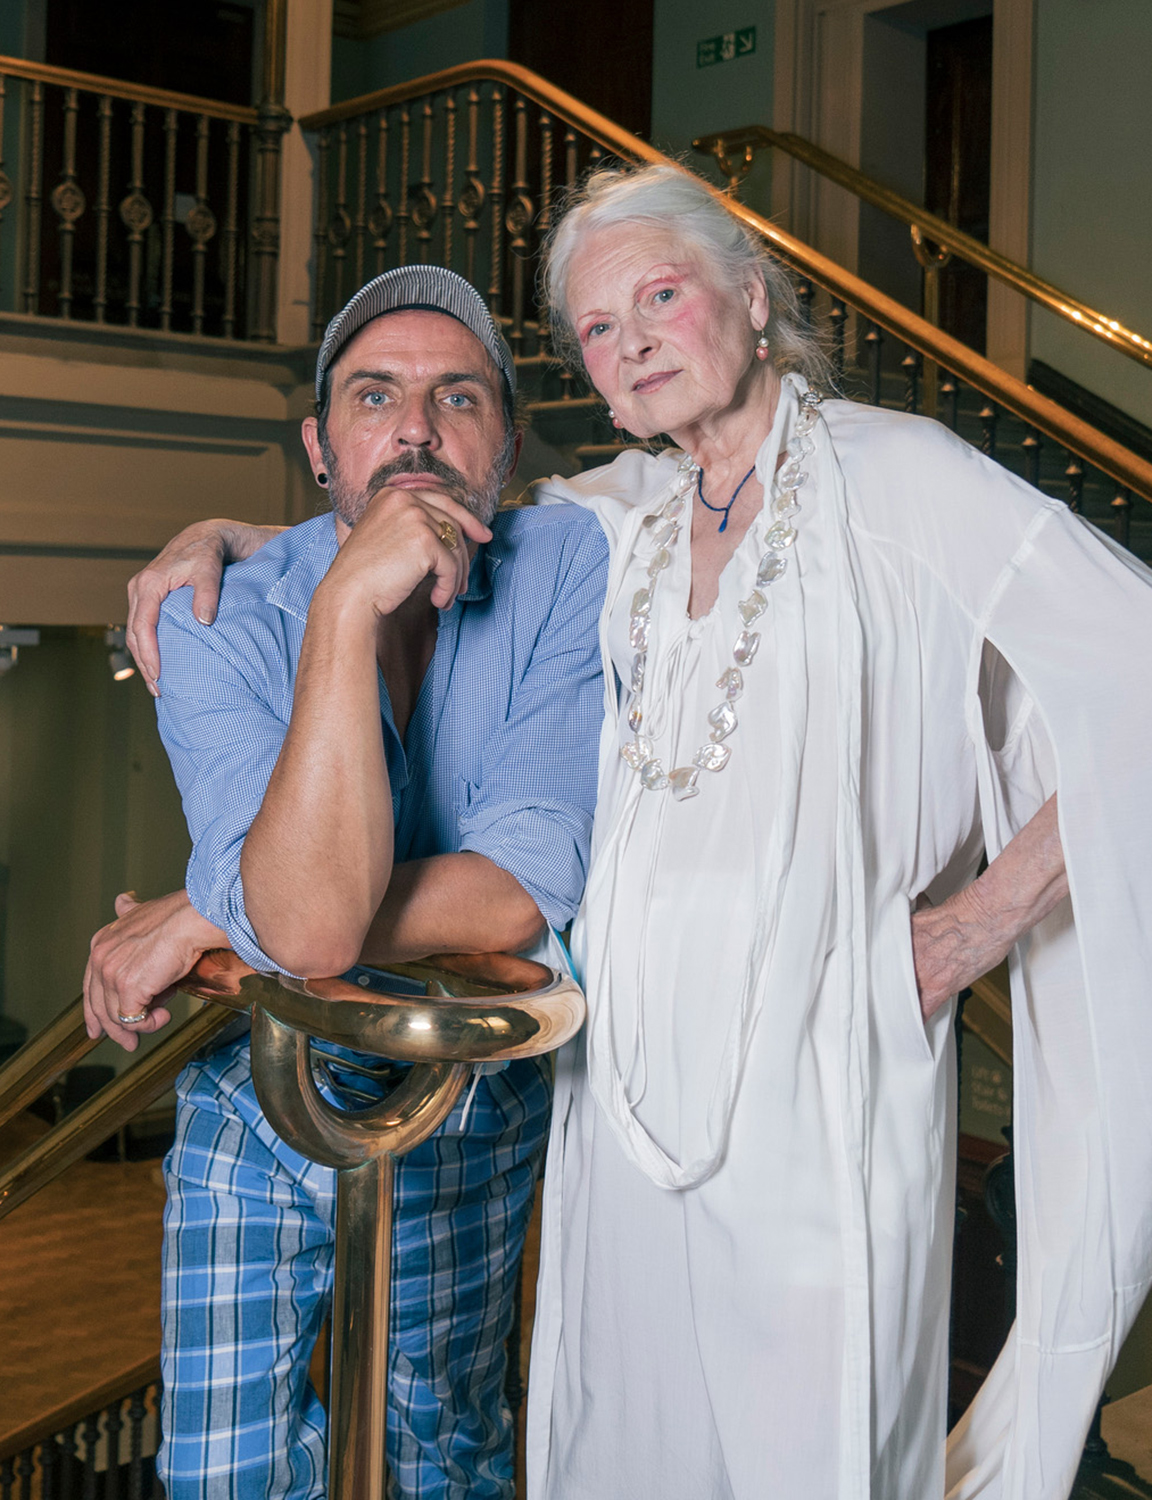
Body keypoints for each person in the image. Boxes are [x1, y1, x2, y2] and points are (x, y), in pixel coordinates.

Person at [117, 167, 1152, 1500]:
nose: (634, 341)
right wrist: (220, 534)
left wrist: (965, 934)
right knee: (618, 1453)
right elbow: (404, 510)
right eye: (598, 329)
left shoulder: (908, 481)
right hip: (614, 1096)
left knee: (811, 1453)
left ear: (755, 299)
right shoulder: (625, 517)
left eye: (660, 295)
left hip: (822, 1070)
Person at [83, 265, 609, 1500]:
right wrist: (340, 607)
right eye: (375, 397)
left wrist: (222, 907)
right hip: (255, 1089)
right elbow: (311, 932)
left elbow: (521, 894)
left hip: (465, 1107)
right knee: (221, 1477)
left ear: (507, 442)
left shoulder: (565, 563)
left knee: (443, 1455)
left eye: (457, 397)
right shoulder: (210, 611)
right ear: (321, 447)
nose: (416, 428)